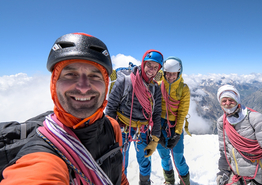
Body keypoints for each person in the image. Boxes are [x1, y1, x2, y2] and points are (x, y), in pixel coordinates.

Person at [0, 33, 129, 185]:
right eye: (70, 74)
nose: (83, 87)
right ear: (54, 83)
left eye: (95, 76)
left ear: (106, 84)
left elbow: (119, 178)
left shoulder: (112, 127)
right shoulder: (42, 157)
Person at [106, 49, 163, 185]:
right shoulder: (124, 81)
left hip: (142, 131)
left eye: (156, 67)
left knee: (144, 162)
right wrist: (110, 133)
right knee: (120, 164)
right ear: (142, 63)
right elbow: (111, 108)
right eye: (149, 65)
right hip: (122, 129)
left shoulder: (155, 88)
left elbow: (156, 114)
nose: (151, 70)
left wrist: (155, 138)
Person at [216, 84, 262, 185]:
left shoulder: (256, 119)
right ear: (220, 103)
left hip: (260, 178)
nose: (228, 103)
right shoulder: (222, 122)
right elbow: (224, 151)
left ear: (237, 100)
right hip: (238, 176)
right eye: (224, 101)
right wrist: (224, 171)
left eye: (231, 99)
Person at [156, 57, 191, 185]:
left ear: (179, 73)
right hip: (160, 124)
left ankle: (184, 182)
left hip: (175, 124)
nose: (170, 77)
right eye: (168, 73)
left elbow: (182, 112)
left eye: (173, 74)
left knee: (178, 157)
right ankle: (169, 180)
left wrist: (177, 133)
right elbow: (154, 109)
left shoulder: (184, 88)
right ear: (164, 73)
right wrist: (156, 130)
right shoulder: (159, 86)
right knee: (164, 156)